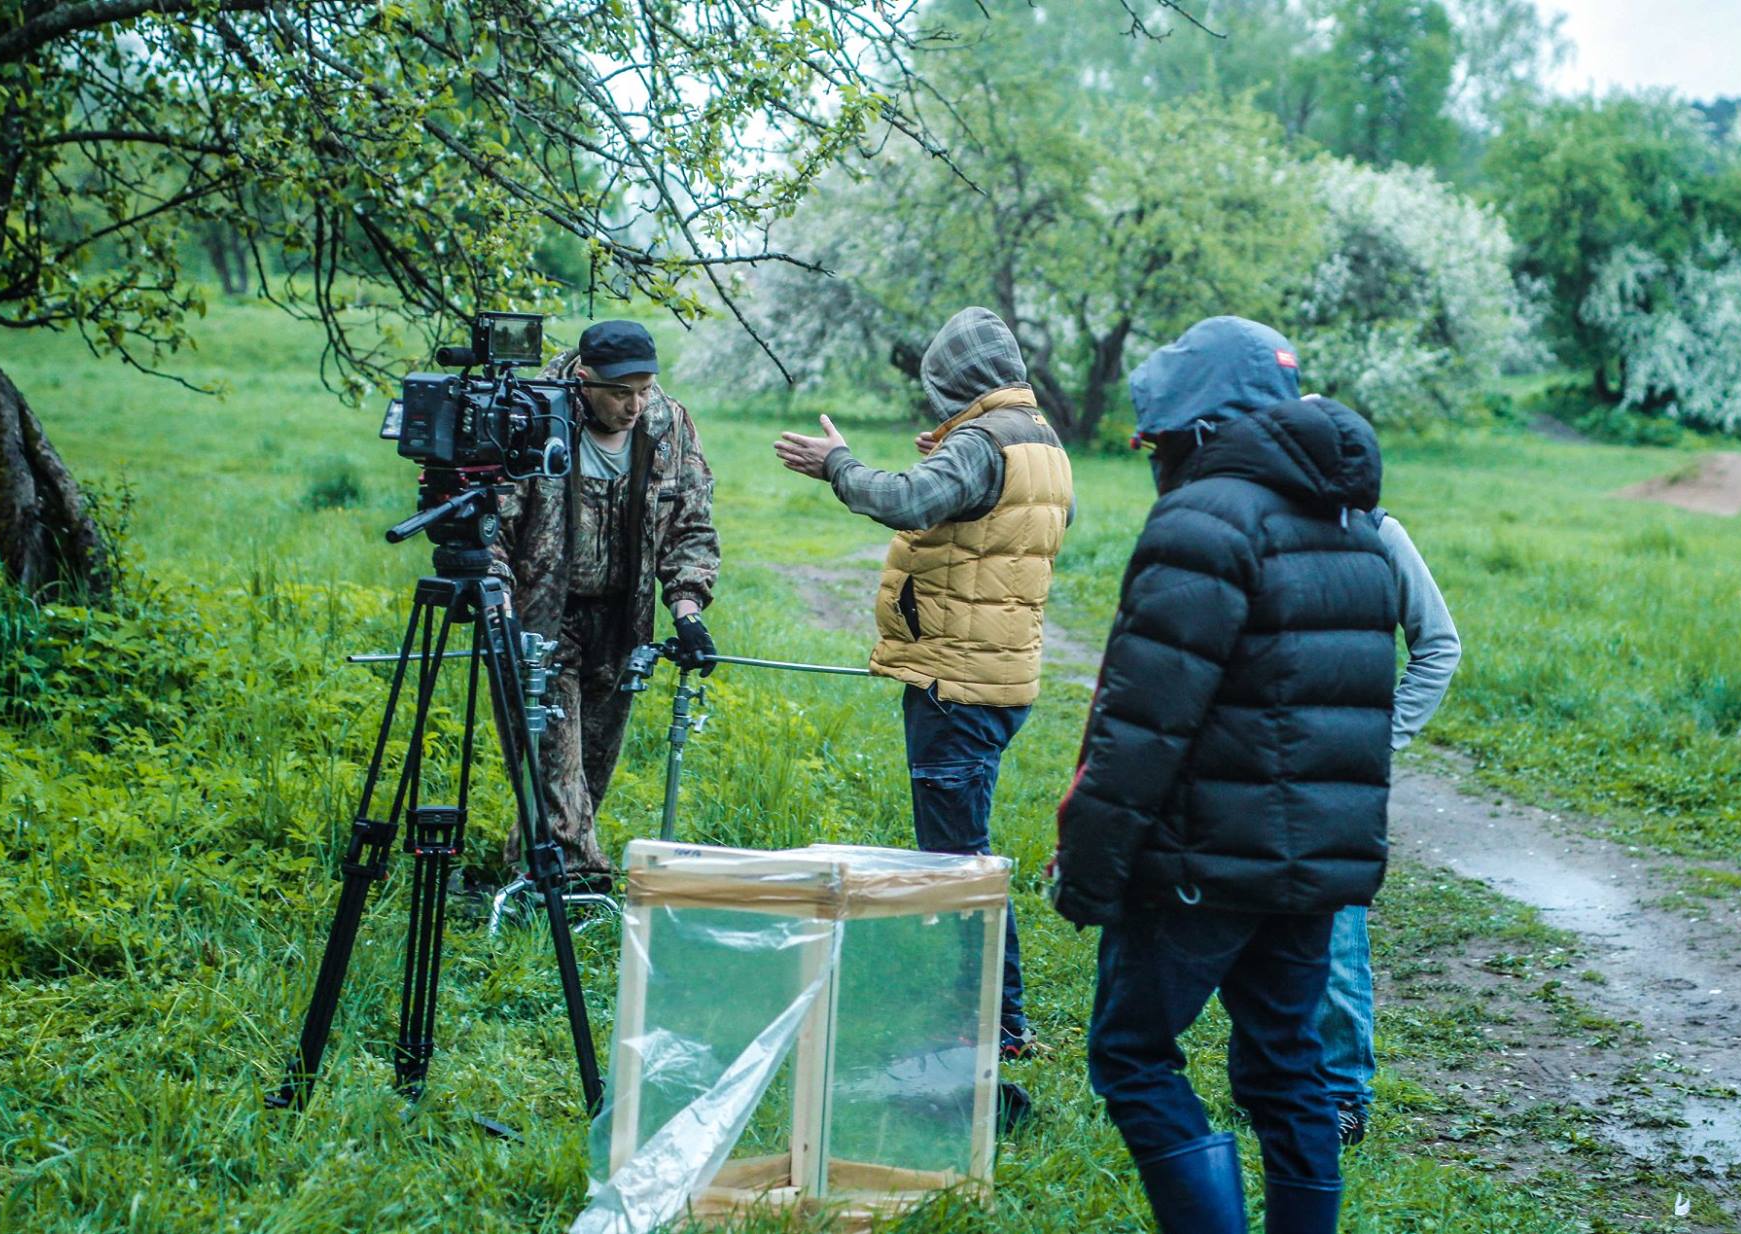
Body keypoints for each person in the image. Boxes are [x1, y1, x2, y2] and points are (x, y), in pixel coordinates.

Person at [1052, 316, 1397, 1234]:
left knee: (1131, 1055)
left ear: (1200, 432)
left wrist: (1088, 874)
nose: (1155, 460)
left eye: (1159, 443)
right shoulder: (1355, 526)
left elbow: (1142, 725)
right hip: (1315, 865)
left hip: (1204, 863)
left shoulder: (1206, 520)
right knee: (1288, 1066)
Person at [773, 306, 1073, 1064]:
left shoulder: (981, 443)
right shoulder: (1039, 439)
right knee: (961, 854)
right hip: (1004, 674)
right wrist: (945, 456)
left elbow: (903, 501)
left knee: (957, 868)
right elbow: (995, 520)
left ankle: (994, 1031)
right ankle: (990, 1022)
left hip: (958, 682)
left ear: (959, 380)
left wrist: (838, 464)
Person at [487, 320, 720, 890]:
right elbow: (489, 522)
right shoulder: (533, 415)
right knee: (555, 761)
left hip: (621, 624)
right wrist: (499, 605)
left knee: (587, 770)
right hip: (540, 622)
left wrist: (687, 607)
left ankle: (527, 872)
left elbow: (691, 520)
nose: (635, 404)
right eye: (621, 392)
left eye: (644, 388)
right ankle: (584, 888)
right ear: (584, 380)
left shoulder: (667, 424)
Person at [1318, 480, 1461, 1147]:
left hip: (1344, 775)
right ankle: (1274, 1083)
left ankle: (1345, 1096)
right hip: (1262, 766)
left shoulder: (1380, 534)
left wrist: (1385, 735)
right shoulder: (1252, 526)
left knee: (1340, 937)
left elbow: (1439, 644)